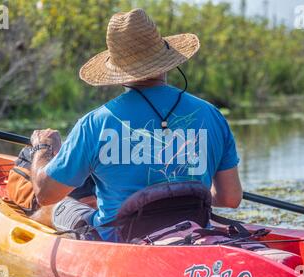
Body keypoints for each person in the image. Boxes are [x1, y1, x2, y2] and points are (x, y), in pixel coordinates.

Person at [29, 8, 242, 242]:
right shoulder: (211, 114)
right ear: (167, 61)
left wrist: (42, 148)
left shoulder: (94, 124)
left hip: (121, 243)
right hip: (192, 234)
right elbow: (230, 198)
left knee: (56, 207)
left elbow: (45, 193)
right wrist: (176, 197)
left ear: (118, 70)